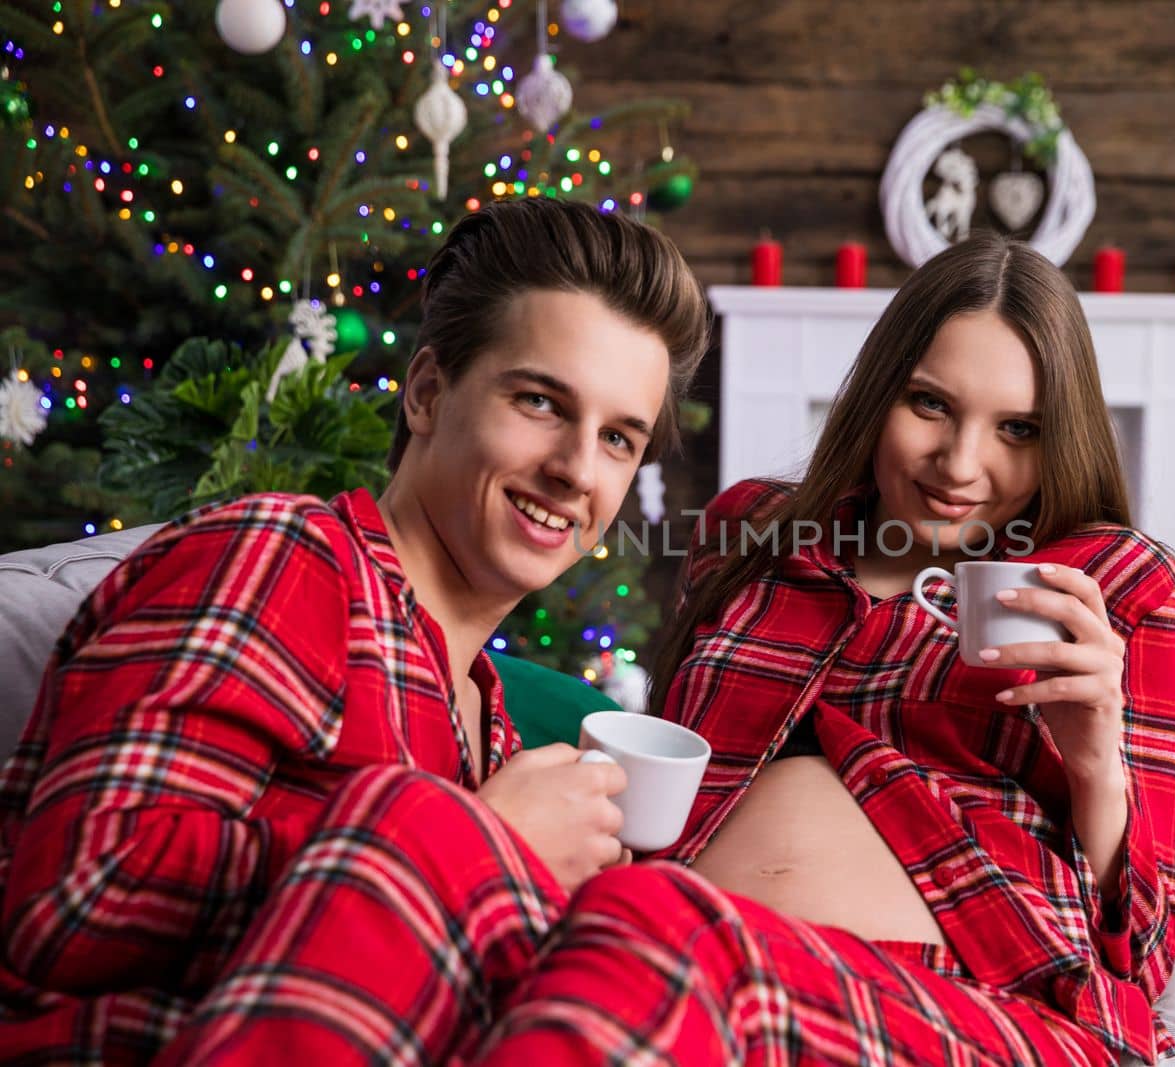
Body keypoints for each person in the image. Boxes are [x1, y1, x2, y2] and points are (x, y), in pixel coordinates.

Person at [0, 197, 712, 1064]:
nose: (574, 470)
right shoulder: (290, 560)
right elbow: (79, 893)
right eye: (538, 402)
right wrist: (476, 843)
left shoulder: (493, 725)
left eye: (618, 440)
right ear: (426, 391)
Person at [624, 232, 1175, 1066]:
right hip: (688, 959)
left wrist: (1097, 767)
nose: (961, 464)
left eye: (1017, 428)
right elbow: (672, 790)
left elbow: (1142, 956)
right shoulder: (751, 534)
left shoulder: (1113, 584)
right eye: (930, 404)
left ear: (1059, 436)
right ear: (877, 392)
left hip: (968, 1004)